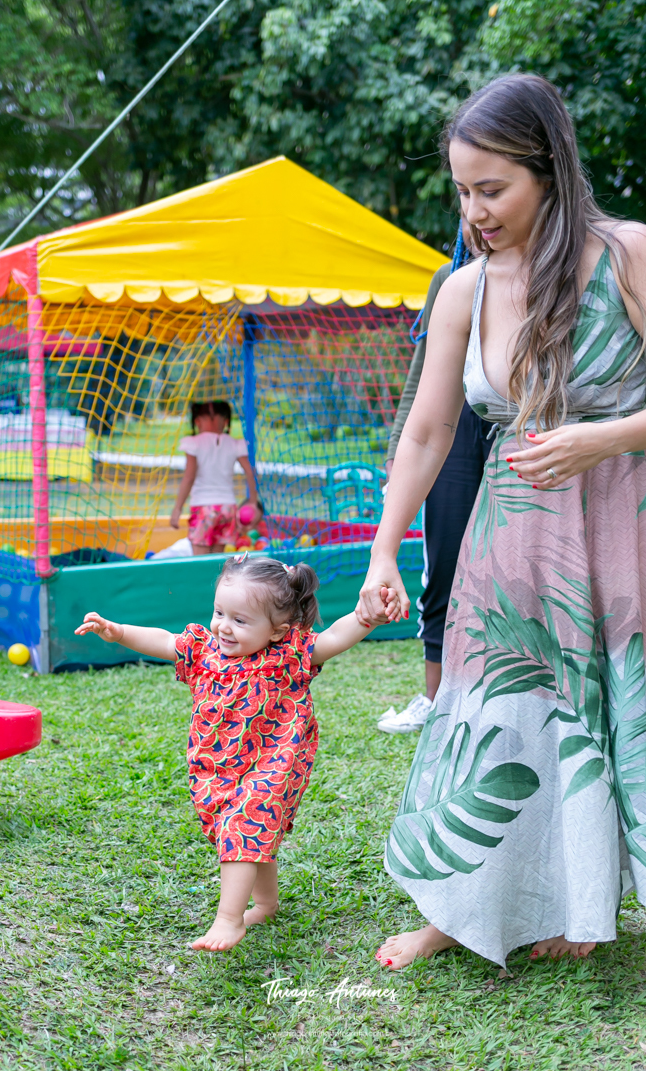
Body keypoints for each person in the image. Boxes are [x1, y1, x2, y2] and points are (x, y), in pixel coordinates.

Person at [357, 73, 646, 970]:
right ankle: (454, 909)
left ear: (549, 169)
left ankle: (580, 911)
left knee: (589, 713)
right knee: (489, 712)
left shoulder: (630, 255)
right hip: (506, 535)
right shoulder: (464, 289)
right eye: (463, 190)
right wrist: (385, 548)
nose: (475, 210)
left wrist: (601, 438)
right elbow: (426, 431)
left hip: (610, 523)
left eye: (493, 188)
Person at [75, 554, 388, 952]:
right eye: (220, 612)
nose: (224, 625)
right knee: (248, 832)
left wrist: (368, 618)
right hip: (218, 768)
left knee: (247, 822)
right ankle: (267, 903)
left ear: (277, 630)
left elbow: (336, 637)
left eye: (240, 620)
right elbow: (162, 640)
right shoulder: (204, 651)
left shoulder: (288, 655)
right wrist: (117, 631)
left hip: (275, 761)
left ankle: (228, 920)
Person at [378, 223, 494, 734]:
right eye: (466, 196)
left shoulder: (549, 272)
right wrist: (396, 455)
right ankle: (436, 701)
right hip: (452, 428)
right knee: (444, 564)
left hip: (518, 426)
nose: (477, 213)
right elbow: (422, 374)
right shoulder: (449, 277)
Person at [170, 400, 259, 555]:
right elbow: (250, 472)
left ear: (198, 421)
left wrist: (178, 508)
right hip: (228, 509)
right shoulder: (234, 443)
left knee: (199, 561)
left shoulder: (194, 443)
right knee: (216, 562)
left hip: (204, 508)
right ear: (225, 421)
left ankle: (201, 580)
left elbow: (189, 477)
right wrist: (253, 501)